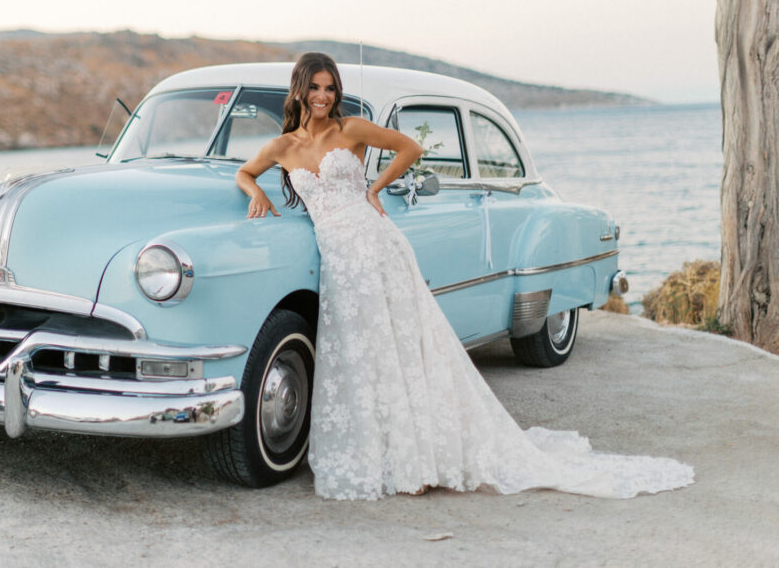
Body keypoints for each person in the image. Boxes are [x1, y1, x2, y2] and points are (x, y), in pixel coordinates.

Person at [236, 52, 695, 501]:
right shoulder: (283, 147)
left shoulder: (350, 128)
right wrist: (255, 190)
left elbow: (410, 147)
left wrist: (373, 188)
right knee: (359, 352)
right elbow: (244, 172)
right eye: (314, 87)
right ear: (298, 90)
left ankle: (418, 458)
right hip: (338, 256)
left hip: (375, 244)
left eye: (329, 87)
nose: (322, 95)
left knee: (404, 347)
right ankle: (384, 454)